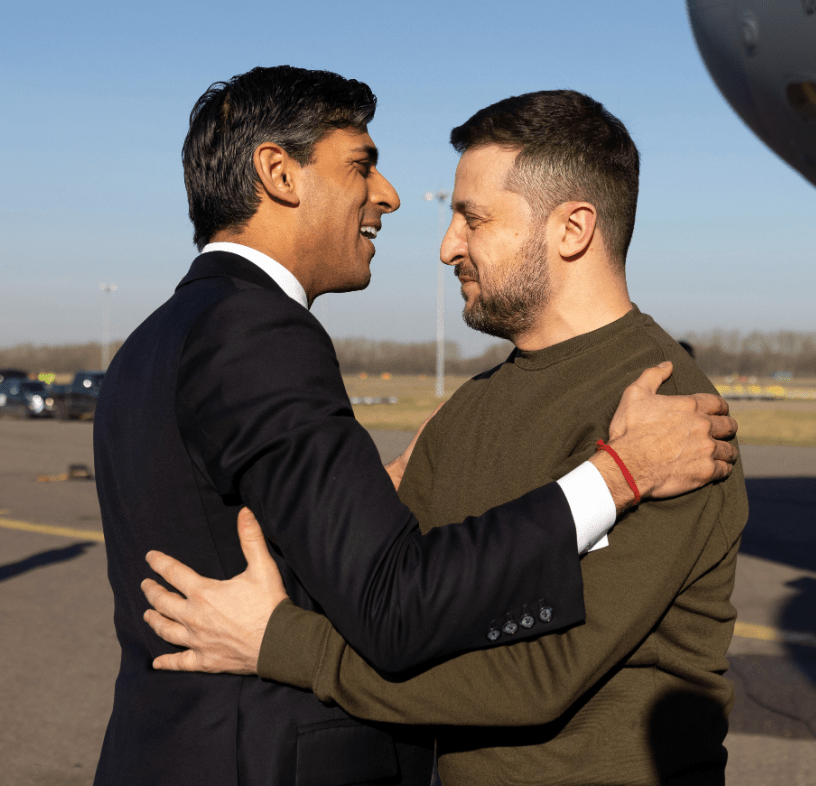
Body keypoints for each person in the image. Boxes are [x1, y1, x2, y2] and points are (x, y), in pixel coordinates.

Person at [142, 89, 748, 785]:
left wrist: (280, 644)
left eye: (473, 218)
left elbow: (532, 677)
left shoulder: (668, 421)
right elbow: (396, 604)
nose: (445, 246)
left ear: (573, 229)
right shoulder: (468, 409)